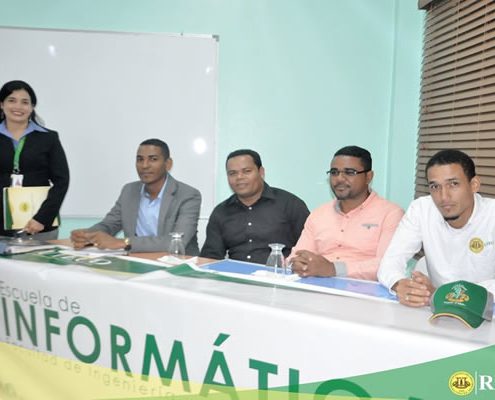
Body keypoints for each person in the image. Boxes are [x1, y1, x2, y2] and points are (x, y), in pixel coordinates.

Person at [378, 149, 495, 307]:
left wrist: (443, 294)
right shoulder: (421, 209)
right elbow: (390, 262)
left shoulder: (491, 215)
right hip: (434, 307)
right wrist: (400, 285)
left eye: (453, 184)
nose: (444, 197)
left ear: (474, 185)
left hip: (483, 310)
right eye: (435, 186)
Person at [289, 145, 404, 280]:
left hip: (363, 289)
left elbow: (388, 265)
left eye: (349, 172)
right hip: (317, 286)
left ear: (368, 177)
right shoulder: (319, 214)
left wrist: (333, 269)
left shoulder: (391, 214)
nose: (339, 179)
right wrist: (297, 264)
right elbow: (297, 255)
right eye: (334, 172)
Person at [70, 139, 201, 254]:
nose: (144, 165)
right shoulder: (129, 191)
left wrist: (124, 242)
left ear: (168, 164)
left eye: (153, 159)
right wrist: (87, 235)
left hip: (176, 264)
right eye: (140, 159)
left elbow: (175, 241)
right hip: (136, 261)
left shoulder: (188, 195)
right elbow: (110, 224)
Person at [200, 149, 310, 264]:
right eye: (232, 173)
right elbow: (210, 257)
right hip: (235, 274)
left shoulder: (290, 204)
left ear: (261, 172)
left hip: (278, 273)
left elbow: (308, 250)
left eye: (247, 171)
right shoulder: (221, 212)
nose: (239, 177)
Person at [0, 80, 70, 239]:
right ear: (2, 104)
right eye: (12, 100)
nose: (18, 106)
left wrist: (42, 218)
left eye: (25, 102)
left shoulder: (48, 138)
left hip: (38, 226)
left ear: (32, 107)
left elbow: (62, 181)